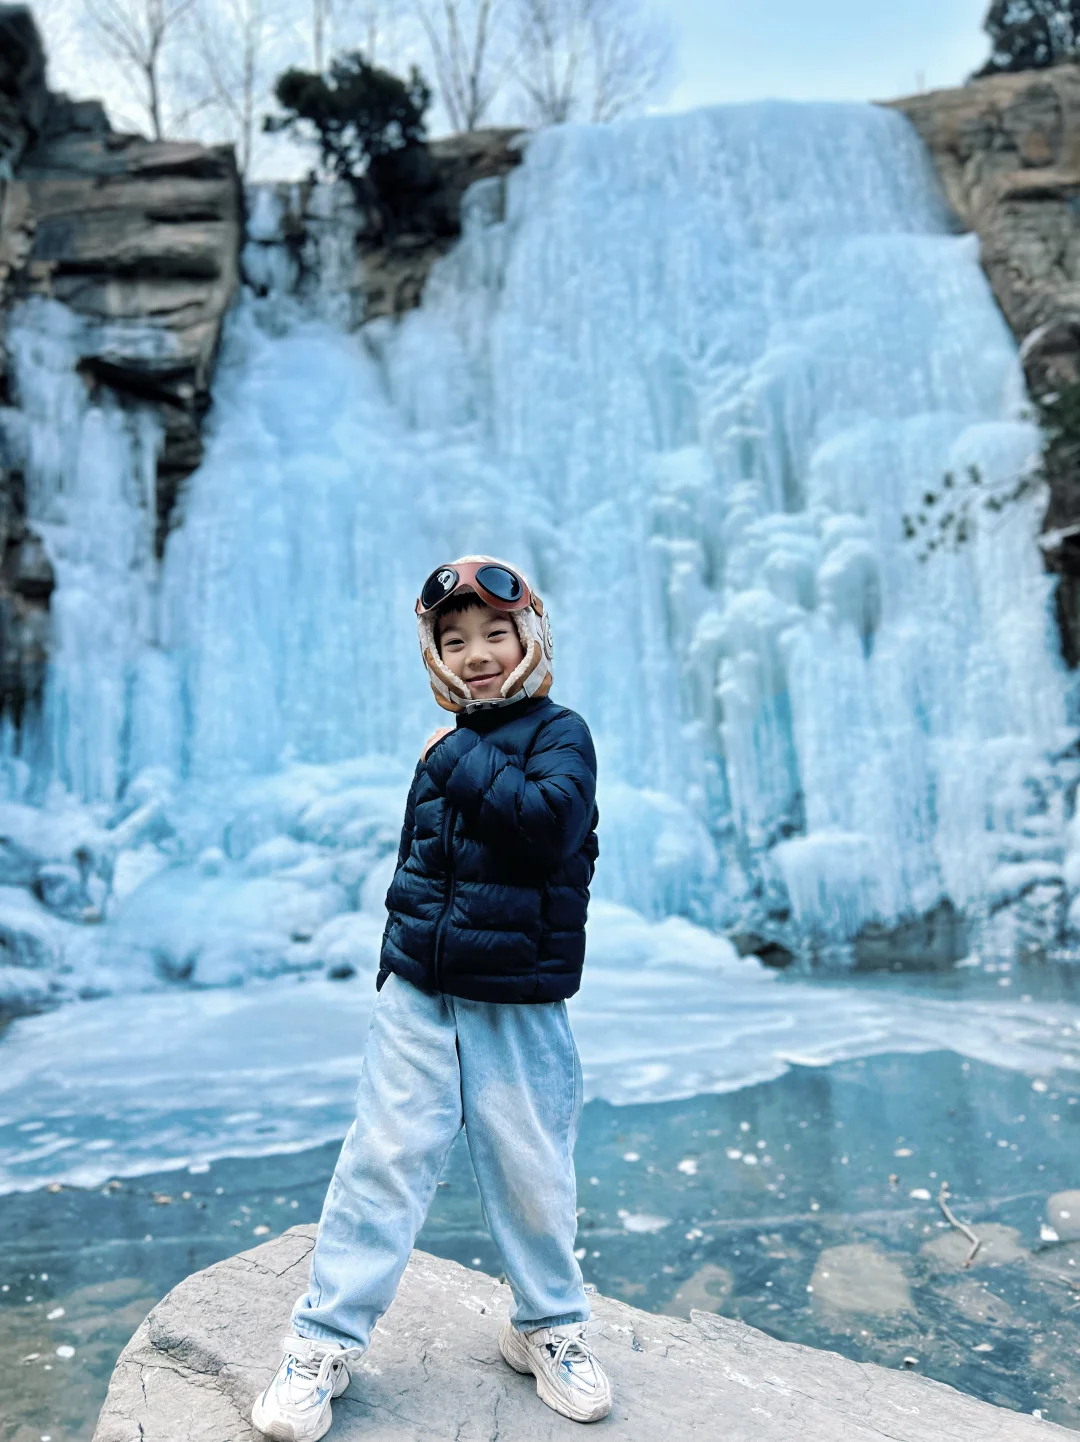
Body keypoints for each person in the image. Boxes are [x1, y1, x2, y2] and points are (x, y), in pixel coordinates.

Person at [251, 556, 610, 1441]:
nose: (477, 653)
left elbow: (544, 830)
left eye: (495, 634)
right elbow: (423, 875)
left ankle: (547, 1328)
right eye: (455, 641)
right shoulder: (449, 751)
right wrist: (395, 960)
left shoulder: (558, 735)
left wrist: (452, 754)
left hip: (517, 1003)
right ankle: (321, 1343)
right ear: (434, 656)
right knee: (381, 1163)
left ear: (533, 638)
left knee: (531, 1170)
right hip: (419, 994)